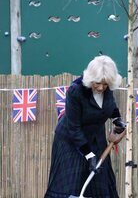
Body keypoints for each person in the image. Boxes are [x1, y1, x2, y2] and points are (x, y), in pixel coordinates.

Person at [44, 55, 126, 198]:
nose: (101, 88)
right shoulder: (76, 91)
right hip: (70, 141)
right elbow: (74, 128)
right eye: (98, 83)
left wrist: (117, 120)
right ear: (91, 78)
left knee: (99, 180)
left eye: (105, 84)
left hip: (96, 138)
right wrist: (89, 155)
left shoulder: (106, 89)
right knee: (71, 184)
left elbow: (110, 106)